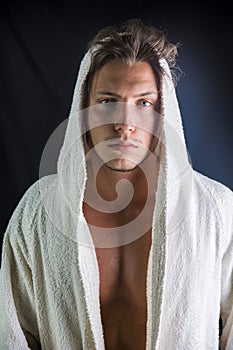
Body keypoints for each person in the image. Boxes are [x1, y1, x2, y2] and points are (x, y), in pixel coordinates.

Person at [0, 18, 232, 350]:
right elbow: (11, 334)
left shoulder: (216, 210)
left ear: (163, 111)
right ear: (84, 107)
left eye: (143, 103)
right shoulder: (38, 211)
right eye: (108, 101)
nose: (124, 125)